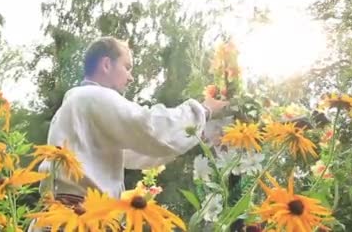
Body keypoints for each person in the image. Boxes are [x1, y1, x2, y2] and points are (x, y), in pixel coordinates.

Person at [33, 36, 228, 206]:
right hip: (80, 220)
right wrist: (202, 110)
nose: (131, 78)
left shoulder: (79, 106)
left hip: (69, 217)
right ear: (106, 64)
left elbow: (139, 150)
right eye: (127, 67)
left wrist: (191, 135)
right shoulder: (94, 97)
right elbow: (149, 127)